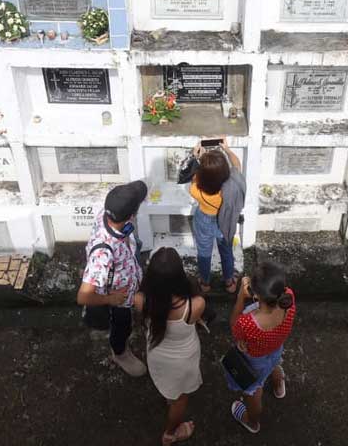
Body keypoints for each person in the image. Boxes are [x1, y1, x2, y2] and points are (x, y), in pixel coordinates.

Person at [133, 247, 206, 445]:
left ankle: (169, 397)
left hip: (157, 354)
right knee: (180, 400)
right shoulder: (196, 304)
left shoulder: (141, 300)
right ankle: (170, 433)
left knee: (170, 391)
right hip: (184, 360)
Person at [76, 180, 149, 376]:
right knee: (121, 326)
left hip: (127, 279)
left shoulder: (108, 212)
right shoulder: (103, 254)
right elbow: (83, 296)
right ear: (131, 216)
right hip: (118, 300)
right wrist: (111, 299)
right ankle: (120, 352)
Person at [227, 260, 296, 434]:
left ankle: (252, 421)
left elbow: (234, 328)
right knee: (274, 362)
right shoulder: (289, 297)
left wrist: (241, 297)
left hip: (255, 360)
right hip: (276, 347)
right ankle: (278, 384)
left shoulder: (248, 322)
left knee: (253, 392)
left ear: (256, 296)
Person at [187, 138, 246, 294]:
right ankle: (230, 283)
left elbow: (194, 176)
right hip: (225, 221)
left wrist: (198, 158)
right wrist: (226, 149)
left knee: (204, 253)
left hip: (204, 219)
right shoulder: (233, 183)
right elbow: (237, 164)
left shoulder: (195, 190)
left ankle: (205, 283)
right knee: (226, 251)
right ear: (225, 171)